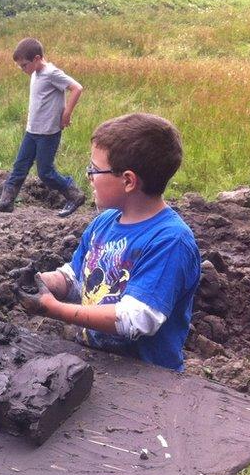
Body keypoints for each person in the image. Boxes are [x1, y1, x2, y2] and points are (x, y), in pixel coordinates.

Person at [14, 113, 200, 371]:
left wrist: (53, 309)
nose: (89, 176)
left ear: (128, 180)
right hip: (95, 362)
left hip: (147, 381)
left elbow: (134, 319)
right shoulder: (104, 223)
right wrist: (43, 282)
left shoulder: (170, 241)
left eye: (94, 169)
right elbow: (75, 277)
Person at [0, 37, 85, 217]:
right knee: (19, 166)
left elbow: (77, 88)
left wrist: (66, 114)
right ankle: (6, 201)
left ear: (37, 58)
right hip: (32, 131)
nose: (23, 70)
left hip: (48, 133)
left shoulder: (52, 73)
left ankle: (74, 194)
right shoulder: (35, 73)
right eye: (20, 66)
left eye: (24, 65)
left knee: (45, 172)